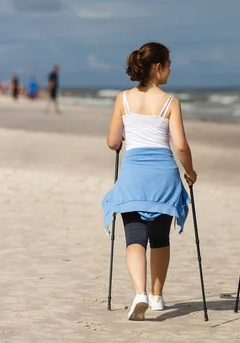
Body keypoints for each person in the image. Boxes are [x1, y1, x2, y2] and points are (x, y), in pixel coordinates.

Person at [101, 42, 197, 321]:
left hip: (133, 174)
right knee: (160, 238)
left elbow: (112, 142)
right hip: (163, 175)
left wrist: (121, 140)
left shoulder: (123, 98)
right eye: (168, 65)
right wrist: (190, 172)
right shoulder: (170, 102)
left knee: (135, 238)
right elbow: (180, 146)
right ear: (157, 68)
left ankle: (139, 293)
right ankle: (156, 297)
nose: (170, 70)